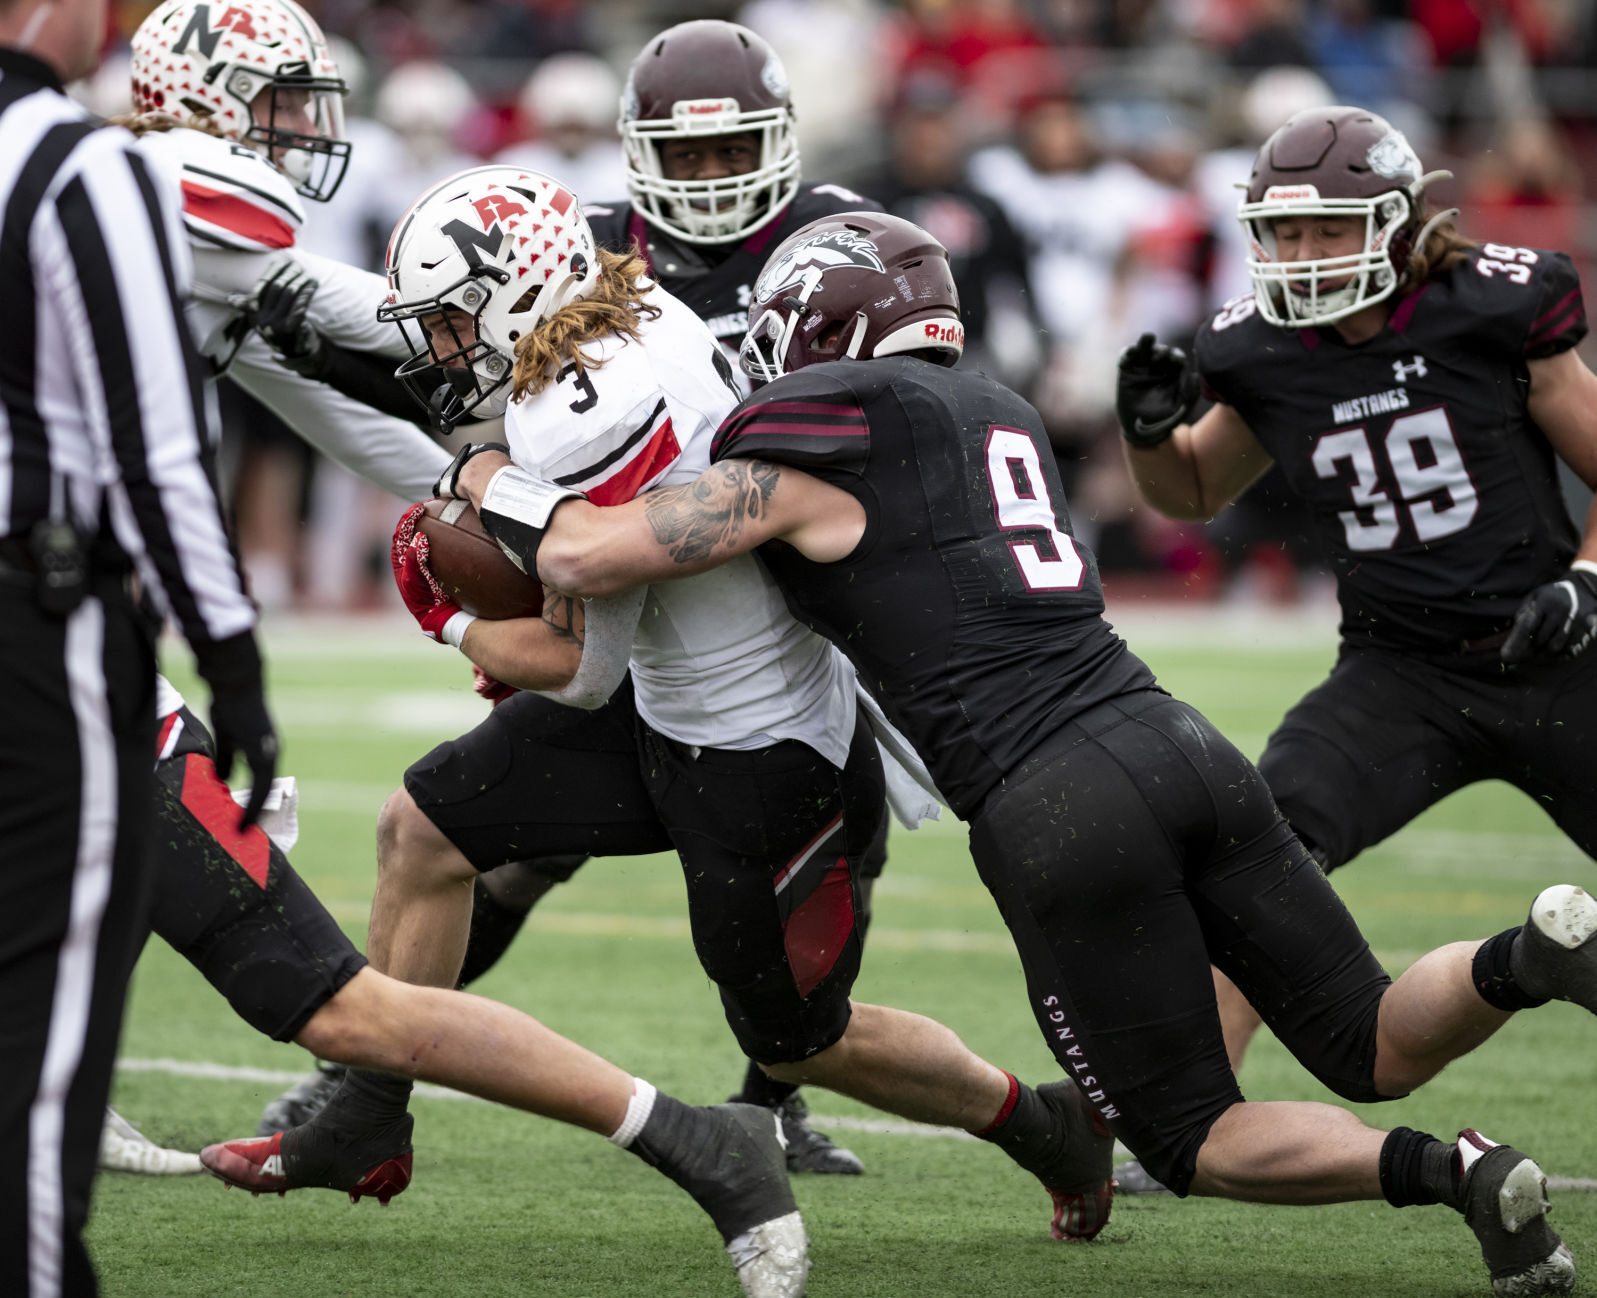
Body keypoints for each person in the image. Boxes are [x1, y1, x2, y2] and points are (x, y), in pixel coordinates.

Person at [457, 207, 1597, 1296]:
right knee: (1372, 1037)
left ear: (820, 327)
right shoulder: (994, 410)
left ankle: (1460, 1170)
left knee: (1194, 1136)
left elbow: (592, 556)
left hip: (1050, 799)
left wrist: (476, 468)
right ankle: (1526, 955)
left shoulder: (818, 439)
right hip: (1173, 734)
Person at [210, 165, 1118, 1249]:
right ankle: (365, 1110)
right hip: (663, 693)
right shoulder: (613, 312)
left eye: (453, 319)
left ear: (512, 296)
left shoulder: (595, 404)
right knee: (422, 830)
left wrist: (446, 616)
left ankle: (1043, 1121)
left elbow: (576, 665)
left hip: (756, 748)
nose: (440, 347)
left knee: (797, 1042)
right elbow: (587, 625)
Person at [258, 17, 886, 1177]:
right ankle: (369, 1072)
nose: (706, 176)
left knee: (825, 865)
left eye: (727, 148)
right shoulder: (579, 249)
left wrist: (465, 592)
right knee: (466, 832)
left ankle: (780, 1091)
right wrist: (348, 368)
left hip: (785, 603)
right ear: (635, 150)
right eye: (681, 154)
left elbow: (897, 415)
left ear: (783, 139)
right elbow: (469, 378)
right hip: (623, 589)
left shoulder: (837, 239)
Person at [1112, 105, 1597, 1186]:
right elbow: (1190, 489)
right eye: (1281, 235)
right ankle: (1197, 1101)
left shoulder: (1492, 303)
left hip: (1551, 646)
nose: (1299, 255)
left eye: (1326, 230)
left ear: (1394, 222)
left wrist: (1585, 579)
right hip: (1398, 672)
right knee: (1250, 848)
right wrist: (1146, 435)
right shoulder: (1258, 349)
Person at [0, 0, 276, 1290]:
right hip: (31, 622)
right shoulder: (78, 161)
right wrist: (234, 662)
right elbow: (157, 443)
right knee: (50, 997)